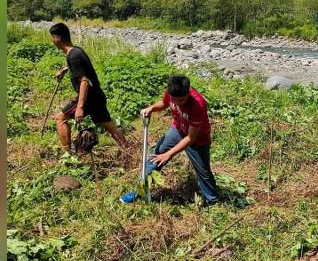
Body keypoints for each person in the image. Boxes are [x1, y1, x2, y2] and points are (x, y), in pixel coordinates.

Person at [120, 75, 220, 205]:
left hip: (197, 140)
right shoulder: (171, 92)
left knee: (204, 172)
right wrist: (152, 108)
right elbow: (163, 103)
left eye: (182, 101)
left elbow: (190, 138)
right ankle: (139, 191)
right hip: (178, 129)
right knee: (154, 156)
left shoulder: (198, 104)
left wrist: (168, 154)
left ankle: (212, 200)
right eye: (175, 100)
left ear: (188, 92)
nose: (178, 103)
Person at [48, 22, 128, 154]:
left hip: (88, 99)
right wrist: (64, 70)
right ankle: (128, 148)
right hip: (97, 95)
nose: (52, 41)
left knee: (60, 118)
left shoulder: (72, 56)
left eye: (52, 38)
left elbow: (84, 81)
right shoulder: (76, 50)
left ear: (57, 38)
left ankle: (67, 155)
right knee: (107, 124)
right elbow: (81, 67)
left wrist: (80, 107)